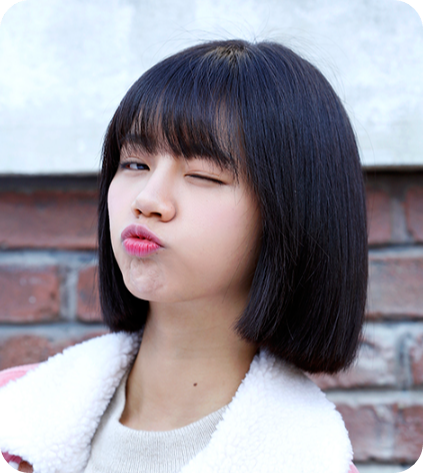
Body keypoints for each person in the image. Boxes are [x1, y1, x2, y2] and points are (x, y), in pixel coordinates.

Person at [0, 39, 367, 473]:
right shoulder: (14, 414)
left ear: (293, 212)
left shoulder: (308, 461)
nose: (147, 199)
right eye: (134, 164)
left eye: (203, 175)